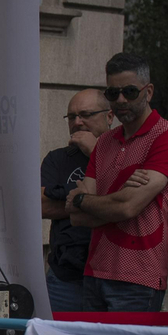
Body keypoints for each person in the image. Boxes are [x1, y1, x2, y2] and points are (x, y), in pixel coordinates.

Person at [66, 52, 168, 312]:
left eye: (130, 92)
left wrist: (84, 199)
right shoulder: (104, 142)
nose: (120, 100)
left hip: (139, 278)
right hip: (95, 271)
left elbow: (126, 207)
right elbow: (77, 216)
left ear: (148, 92)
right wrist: (115, 200)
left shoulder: (167, 137)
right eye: (113, 93)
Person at [39, 88, 114, 313]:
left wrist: (96, 152)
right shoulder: (58, 158)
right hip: (66, 275)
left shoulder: (123, 154)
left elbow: (128, 201)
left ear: (110, 116)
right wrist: (97, 201)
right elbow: (41, 205)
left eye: (86, 115)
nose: (77, 122)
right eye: (71, 117)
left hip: (113, 275)